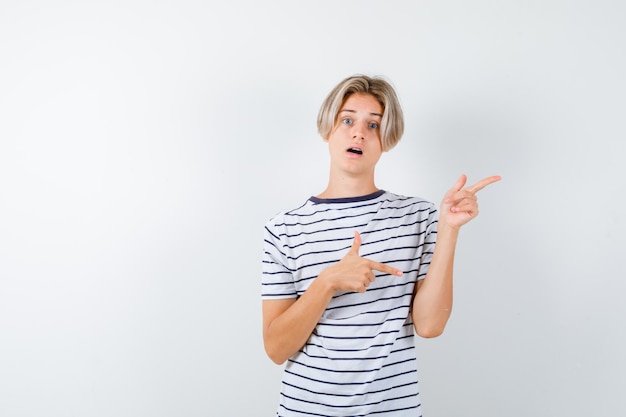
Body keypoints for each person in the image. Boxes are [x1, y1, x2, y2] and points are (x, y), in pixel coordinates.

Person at [261, 74, 500, 416]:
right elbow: (275, 348)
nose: (359, 132)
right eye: (347, 120)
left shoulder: (418, 217)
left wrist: (448, 229)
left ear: (386, 140)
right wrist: (328, 281)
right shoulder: (284, 228)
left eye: (373, 125)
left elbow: (430, 326)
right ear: (327, 129)